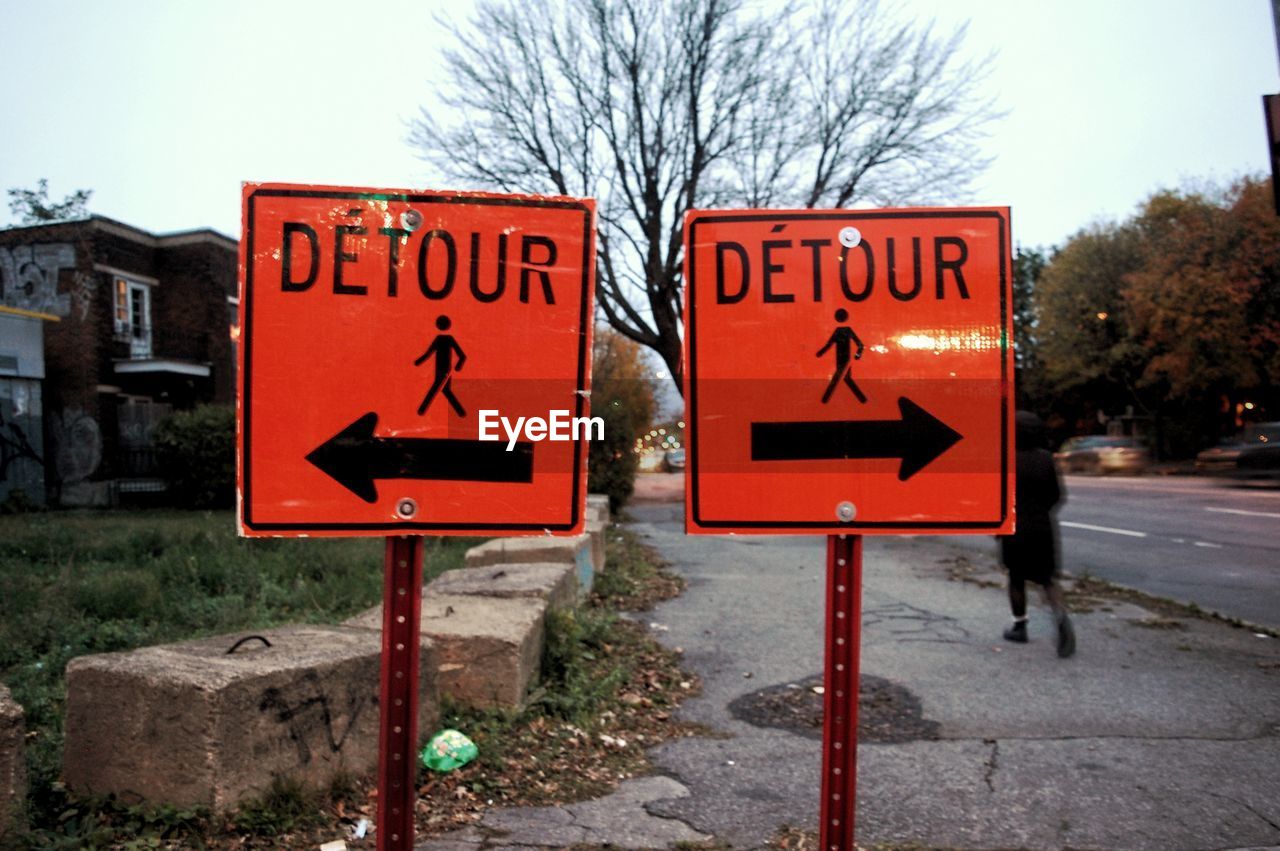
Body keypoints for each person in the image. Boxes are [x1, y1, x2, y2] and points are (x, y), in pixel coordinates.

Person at [1001, 410, 1075, 658]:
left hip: (1013, 527)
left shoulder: (1006, 460)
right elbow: (1056, 496)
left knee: (1016, 578)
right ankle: (1061, 617)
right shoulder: (1045, 459)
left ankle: (1019, 625)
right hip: (1042, 526)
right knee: (1047, 579)